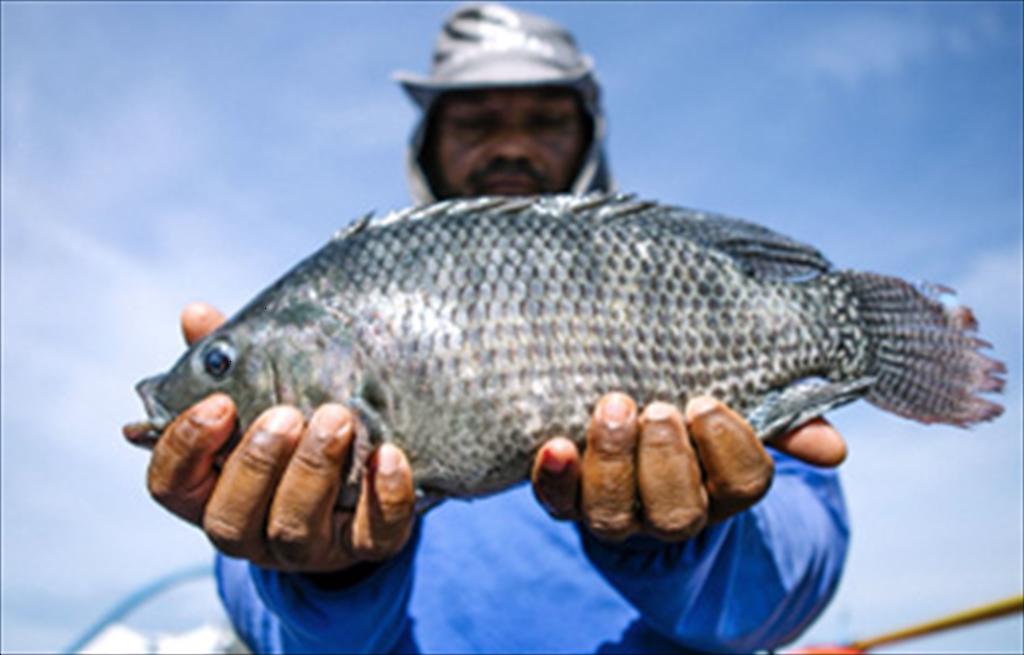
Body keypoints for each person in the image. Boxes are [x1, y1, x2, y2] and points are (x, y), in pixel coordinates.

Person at [141, 4, 850, 652]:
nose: (511, 146)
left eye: (545, 120)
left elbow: (796, 578)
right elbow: (267, 627)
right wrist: (325, 575)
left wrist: (686, 540)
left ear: (587, 135)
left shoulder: (671, 283)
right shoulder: (349, 290)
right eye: (476, 122)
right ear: (429, 143)